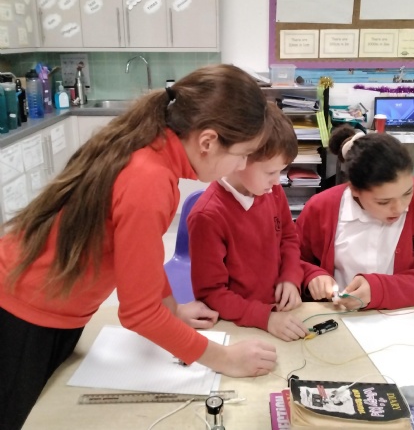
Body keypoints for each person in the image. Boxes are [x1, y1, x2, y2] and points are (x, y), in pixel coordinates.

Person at [0, 64, 278, 430]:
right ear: (208, 141)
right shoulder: (149, 179)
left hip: (42, 302)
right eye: (243, 154)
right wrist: (223, 358)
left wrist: (174, 311)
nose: (242, 164)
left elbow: (137, 256)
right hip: (24, 313)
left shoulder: (153, 150)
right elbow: (139, 313)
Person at [297, 125, 414, 310]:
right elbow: (293, 260)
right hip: (338, 316)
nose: (399, 208)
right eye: (383, 202)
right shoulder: (321, 207)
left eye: (407, 193)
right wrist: (312, 275)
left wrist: (379, 290)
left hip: (404, 317)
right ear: (354, 190)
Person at [188, 103, 313, 342]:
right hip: (240, 324)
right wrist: (265, 317)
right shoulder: (207, 217)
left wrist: (290, 277)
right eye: (270, 172)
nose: (277, 181)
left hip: (279, 313)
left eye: (280, 172)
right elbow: (211, 293)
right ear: (240, 160)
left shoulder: (271, 192)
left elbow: (289, 238)